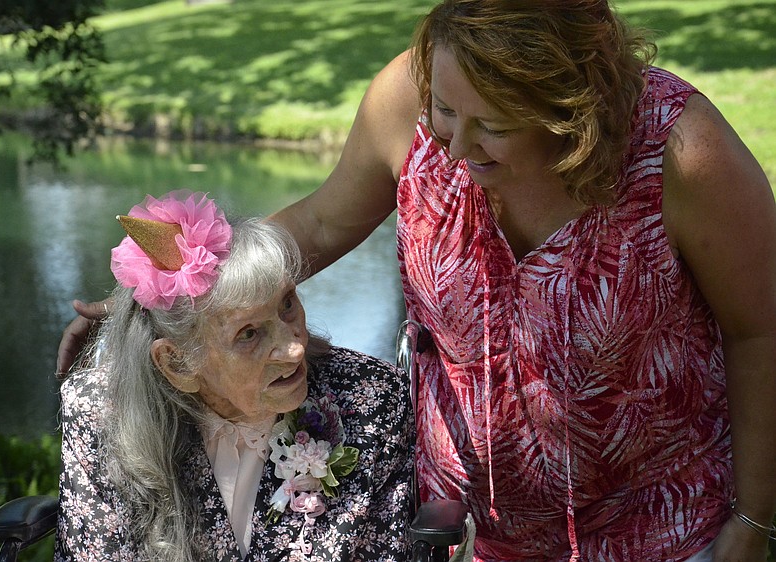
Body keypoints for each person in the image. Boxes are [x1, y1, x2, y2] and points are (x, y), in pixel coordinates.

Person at [57, 1, 776, 560]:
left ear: (569, 106)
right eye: (445, 113)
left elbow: (761, 330)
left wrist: (754, 518)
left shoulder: (680, 152)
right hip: (460, 537)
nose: (454, 147)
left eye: (490, 124)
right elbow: (321, 226)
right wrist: (153, 303)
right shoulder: (408, 96)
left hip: (669, 534)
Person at [55, 191, 413, 561]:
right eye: (249, 334)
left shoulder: (372, 398)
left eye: (287, 304)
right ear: (178, 364)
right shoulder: (101, 413)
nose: (294, 349)